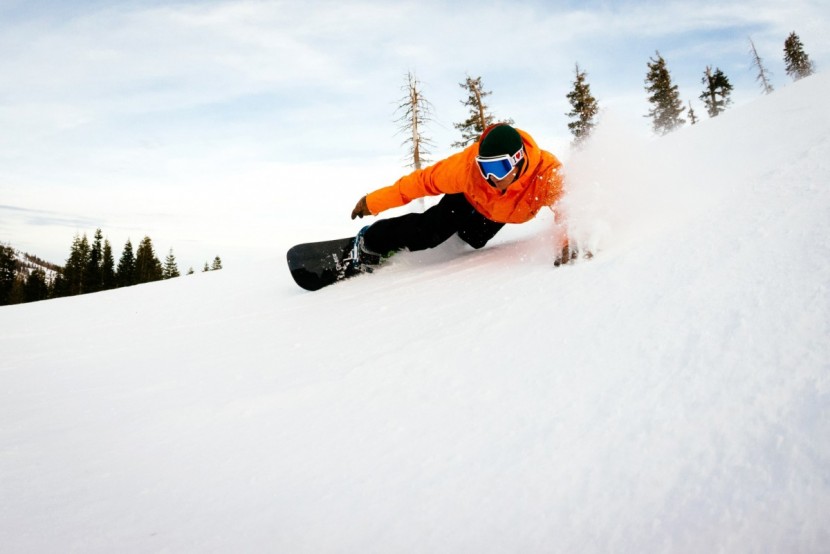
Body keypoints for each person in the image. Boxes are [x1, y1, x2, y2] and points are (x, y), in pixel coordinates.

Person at [347, 123, 570, 270]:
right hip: (468, 199)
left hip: (497, 215)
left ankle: (437, 240)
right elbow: (422, 182)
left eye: (499, 168)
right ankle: (371, 239)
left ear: (518, 159)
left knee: (474, 238)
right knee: (430, 232)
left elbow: (569, 206)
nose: (491, 177)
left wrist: (571, 241)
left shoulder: (546, 174)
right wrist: (374, 201)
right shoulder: (466, 168)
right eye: (485, 167)